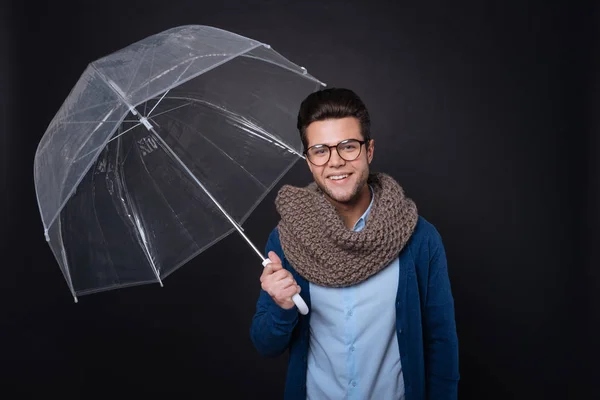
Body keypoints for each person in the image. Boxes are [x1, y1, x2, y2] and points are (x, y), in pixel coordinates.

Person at [250, 88, 459, 400]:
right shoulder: (287, 239)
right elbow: (266, 345)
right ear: (309, 160)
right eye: (320, 150)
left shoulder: (419, 238)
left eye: (348, 147)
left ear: (369, 151)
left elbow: (441, 344)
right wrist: (282, 307)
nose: (335, 162)